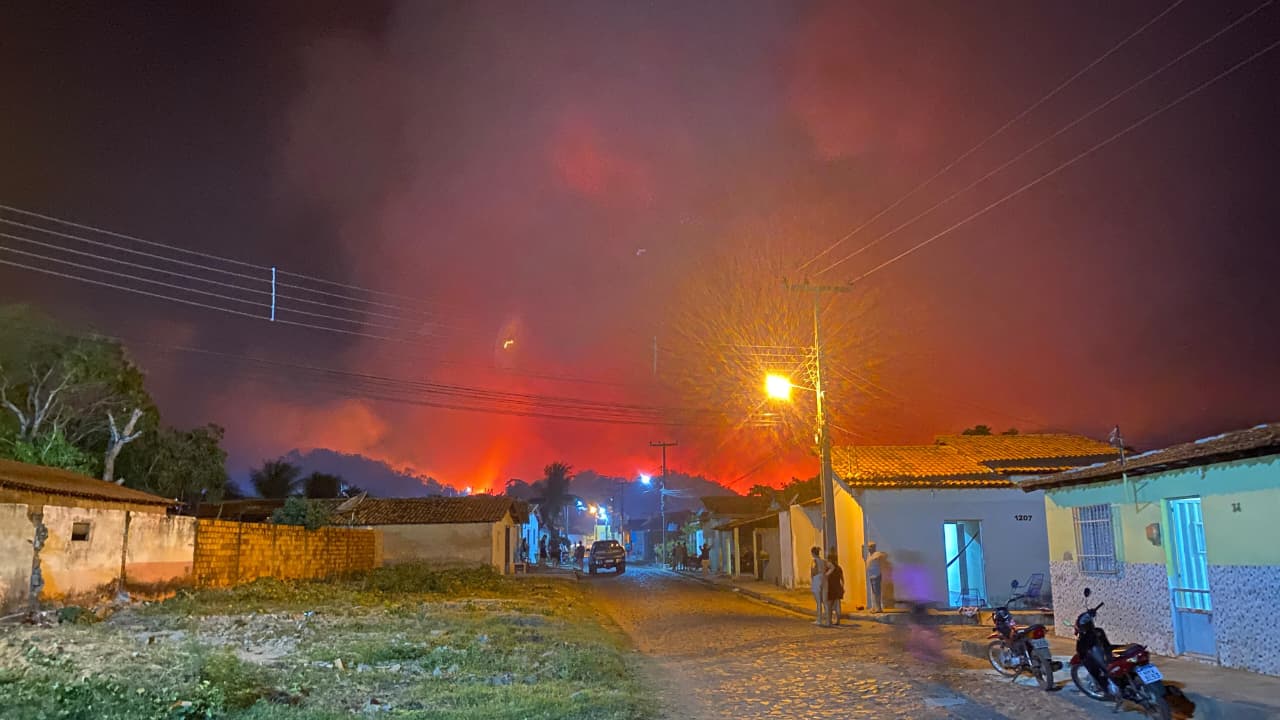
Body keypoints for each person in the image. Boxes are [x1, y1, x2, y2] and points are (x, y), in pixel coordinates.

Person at [809, 546, 831, 626]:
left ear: (813, 553)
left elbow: (813, 571)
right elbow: (832, 567)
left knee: (818, 602)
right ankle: (828, 621)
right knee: (825, 601)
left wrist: (812, 578)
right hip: (824, 579)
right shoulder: (824, 561)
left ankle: (819, 620)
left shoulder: (814, 561)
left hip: (817, 579)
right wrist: (826, 574)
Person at [866, 542, 887, 612]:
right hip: (871, 576)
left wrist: (879, 558)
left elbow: (884, 555)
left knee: (877, 592)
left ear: (874, 547)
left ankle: (879, 608)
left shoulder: (877, 554)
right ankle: (874, 607)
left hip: (876, 575)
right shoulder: (869, 555)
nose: (869, 548)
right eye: (868, 546)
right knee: (873, 592)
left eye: (871, 546)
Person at [826, 548, 844, 625]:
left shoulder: (828, 568)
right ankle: (838, 621)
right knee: (837, 604)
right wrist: (842, 587)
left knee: (829, 605)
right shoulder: (839, 568)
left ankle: (829, 620)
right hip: (838, 587)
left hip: (830, 588)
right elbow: (842, 579)